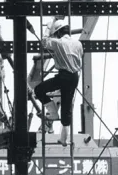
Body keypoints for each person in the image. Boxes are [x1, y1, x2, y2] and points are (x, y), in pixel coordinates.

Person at [33, 18, 83, 147]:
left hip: (63, 76)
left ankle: (53, 112)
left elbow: (44, 42)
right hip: (74, 78)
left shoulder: (58, 43)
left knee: (39, 90)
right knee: (66, 108)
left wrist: (48, 29)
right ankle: (64, 139)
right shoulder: (78, 43)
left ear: (59, 33)